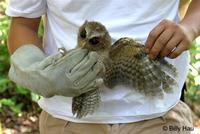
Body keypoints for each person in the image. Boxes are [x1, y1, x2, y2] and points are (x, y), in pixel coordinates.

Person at [6, 0, 200, 134]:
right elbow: (22, 25)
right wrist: (39, 72)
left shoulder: (121, 48)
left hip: (159, 114)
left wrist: (190, 26)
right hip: (67, 118)